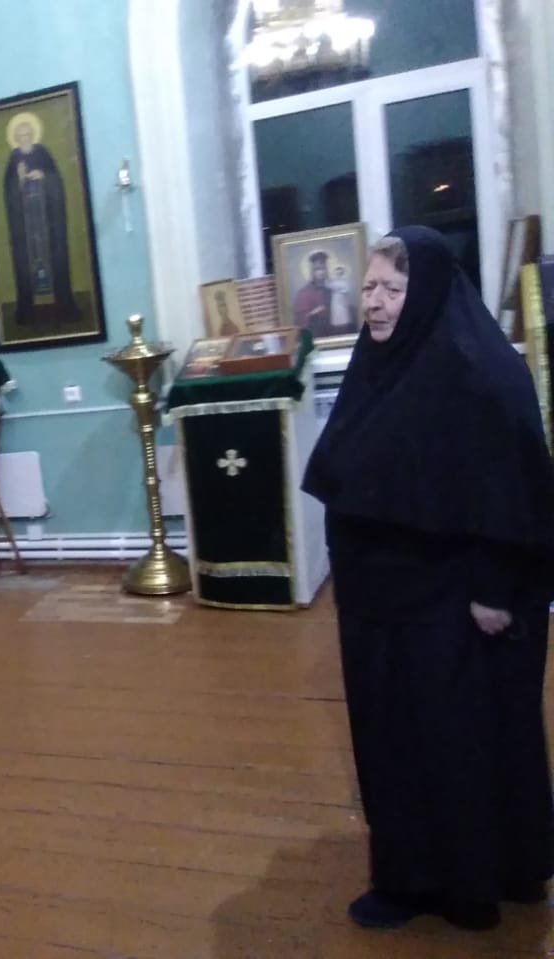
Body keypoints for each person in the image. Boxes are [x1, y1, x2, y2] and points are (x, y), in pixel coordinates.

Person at [302, 226, 554, 932]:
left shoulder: (480, 372)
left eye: (392, 289)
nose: (375, 303)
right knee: (397, 742)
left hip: (453, 601)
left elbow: (513, 490)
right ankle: (415, 874)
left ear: (431, 292)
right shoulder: (378, 363)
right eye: (369, 288)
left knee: (456, 741)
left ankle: (468, 884)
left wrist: (495, 587)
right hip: (382, 601)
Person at [2, 115, 78, 328]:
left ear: (33, 135)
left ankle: (63, 306)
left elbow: (56, 180)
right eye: (20, 136)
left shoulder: (43, 153)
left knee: (55, 257)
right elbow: (8, 191)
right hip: (25, 225)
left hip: (48, 222)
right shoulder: (14, 159)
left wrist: (43, 176)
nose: (24, 139)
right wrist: (18, 179)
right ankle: (27, 311)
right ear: (15, 138)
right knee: (25, 262)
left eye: (27, 134)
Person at [292, 250, 333, 334]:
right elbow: (300, 319)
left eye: (323, 269)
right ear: (312, 271)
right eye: (317, 269)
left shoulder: (331, 291)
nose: (321, 272)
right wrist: (314, 312)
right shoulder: (304, 293)